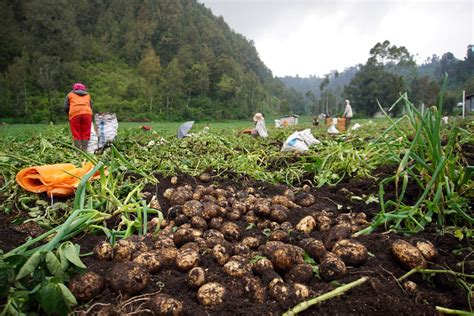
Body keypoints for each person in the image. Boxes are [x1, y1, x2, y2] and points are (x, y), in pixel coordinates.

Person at [64, 82, 94, 151]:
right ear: (84, 89)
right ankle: (84, 151)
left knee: (76, 133)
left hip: (75, 114)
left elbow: (65, 107)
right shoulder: (87, 95)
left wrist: (69, 114)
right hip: (87, 113)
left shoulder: (70, 95)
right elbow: (91, 106)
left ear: (74, 89)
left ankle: (78, 152)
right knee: (86, 133)